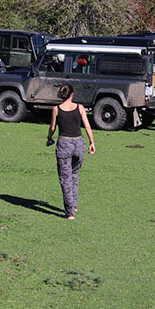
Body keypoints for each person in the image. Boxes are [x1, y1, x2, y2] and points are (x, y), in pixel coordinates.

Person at [46, 84, 96, 219]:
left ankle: (69, 211)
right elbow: (87, 126)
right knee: (74, 174)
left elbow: (52, 128)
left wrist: (49, 137)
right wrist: (92, 142)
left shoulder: (56, 109)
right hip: (79, 144)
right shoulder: (80, 107)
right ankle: (74, 204)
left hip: (64, 144)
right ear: (72, 94)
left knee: (65, 178)